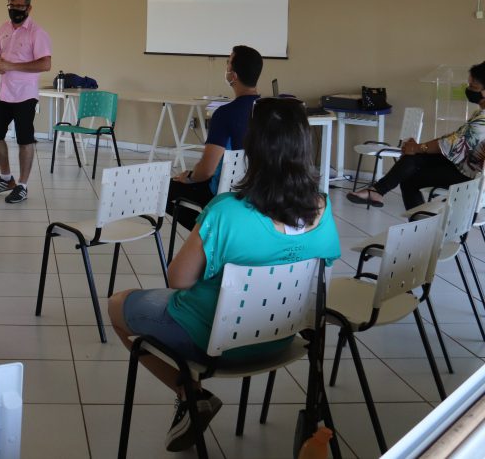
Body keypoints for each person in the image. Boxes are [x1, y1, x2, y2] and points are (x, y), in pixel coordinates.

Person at [108, 98, 340, 452]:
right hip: (280, 338)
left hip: (216, 343)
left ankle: (190, 393)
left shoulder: (227, 210)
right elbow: (322, 273)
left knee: (117, 305)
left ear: (253, 146)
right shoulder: (322, 207)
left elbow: (178, 280)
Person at [348, 61, 485, 210]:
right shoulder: (480, 114)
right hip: (465, 166)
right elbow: (453, 139)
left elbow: (451, 145)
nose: (468, 89)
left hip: (471, 176)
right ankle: (377, 192)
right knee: (414, 158)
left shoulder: (482, 119)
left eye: (473, 86)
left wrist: (417, 147)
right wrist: (417, 148)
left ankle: (382, 195)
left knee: (410, 178)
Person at [166, 45, 263, 228]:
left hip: (223, 193)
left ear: (233, 76)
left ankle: (209, 233)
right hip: (259, 191)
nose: (226, 67)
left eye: (228, 63)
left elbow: (206, 171)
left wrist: (189, 176)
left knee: (163, 191)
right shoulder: (268, 110)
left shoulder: (225, 114)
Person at [0, 0, 52, 204]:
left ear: (29, 8)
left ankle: (22, 185)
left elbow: (45, 64)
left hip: (25, 95)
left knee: (24, 140)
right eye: (12, 6)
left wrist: (11, 66)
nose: (15, 10)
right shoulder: (3, 28)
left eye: (20, 7)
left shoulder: (37, 33)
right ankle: (6, 178)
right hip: (4, 93)